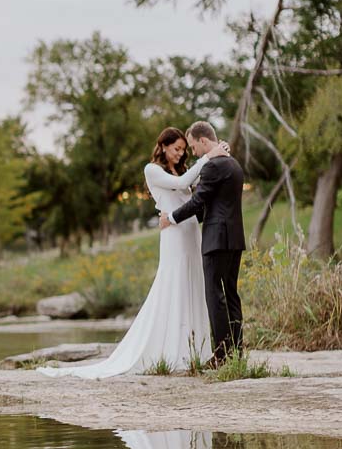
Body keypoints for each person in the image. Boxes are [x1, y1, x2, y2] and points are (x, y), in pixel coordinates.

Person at [41, 126, 227, 379]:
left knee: (194, 284)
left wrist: (216, 155)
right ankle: (172, 350)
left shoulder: (181, 169)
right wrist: (209, 155)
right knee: (174, 284)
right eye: (176, 149)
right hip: (173, 236)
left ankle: (198, 349)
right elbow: (183, 183)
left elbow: (196, 182)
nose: (181, 155)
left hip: (190, 232)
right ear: (162, 146)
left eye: (184, 150)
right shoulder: (152, 170)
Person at [160, 120, 245, 364]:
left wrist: (172, 217)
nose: (192, 151)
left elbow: (199, 204)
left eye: (194, 146)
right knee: (230, 295)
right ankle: (236, 352)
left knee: (214, 295)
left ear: (204, 140)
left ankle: (221, 355)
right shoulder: (233, 164)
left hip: (216, 240)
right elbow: (209, 204)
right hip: (235, 239)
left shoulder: (212, 167)